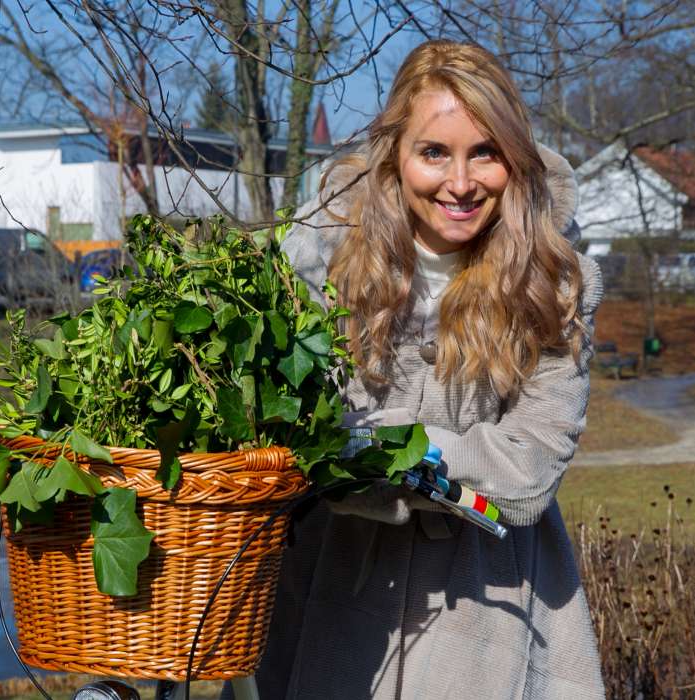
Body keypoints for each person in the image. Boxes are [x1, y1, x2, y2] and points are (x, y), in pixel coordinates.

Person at [226, 40, 605, 699]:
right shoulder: (317, 259)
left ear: (513, 156)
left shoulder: (556, 281)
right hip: (329, 589)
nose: (460, 183)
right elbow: (284, 427)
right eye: (435, 153)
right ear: (395, 155)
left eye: (483, 152)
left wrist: (412, 452)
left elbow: (533, 461)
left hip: (487, 601)